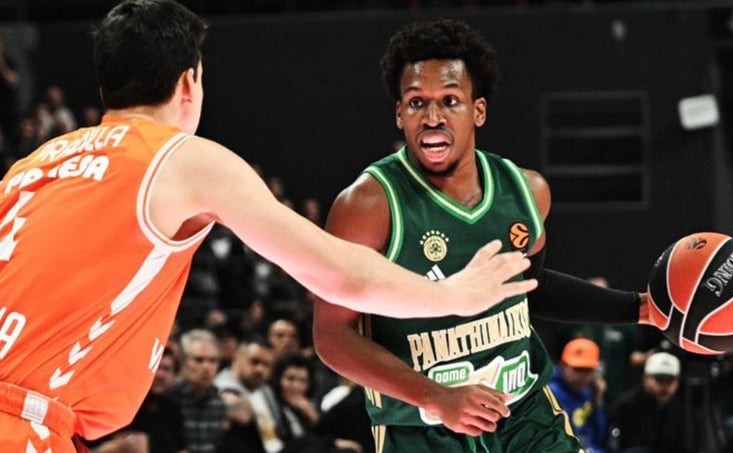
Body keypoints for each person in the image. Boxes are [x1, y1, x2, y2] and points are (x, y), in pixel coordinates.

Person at [0, 1, 537, 451]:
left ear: (105, 88)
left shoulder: (32, 166)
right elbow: (338, 276)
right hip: (21, 424)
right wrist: (454, 295)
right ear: (190, 82)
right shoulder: (181, 158)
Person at [313, 17, 654, 452]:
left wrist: (638, 308)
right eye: (416, 103)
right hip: (423, 428)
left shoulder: (527, 191)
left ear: (478, 110)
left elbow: (530, 287)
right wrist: (435, 397)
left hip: (524, 417)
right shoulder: (368, 205)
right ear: (399, 114)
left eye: (450, 101)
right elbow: (332, 336)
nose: (432, 117)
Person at [607, 351, 692, 452]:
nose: (665, 386)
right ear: (645, 379)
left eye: (670, 381)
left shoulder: (679, 409)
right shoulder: (626, 406)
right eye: (659, 380)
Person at [548, 338, 607, 453]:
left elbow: (600, 437)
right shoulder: (551, 392)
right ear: (563, 365)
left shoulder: (589, 391)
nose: (583, 376)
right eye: (578, 370)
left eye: (588, 370)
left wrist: (597, 401)